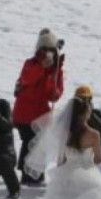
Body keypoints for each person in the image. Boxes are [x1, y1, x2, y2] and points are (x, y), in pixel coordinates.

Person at [12, 28, 65, 186]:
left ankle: (34, 174)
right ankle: (29, 175)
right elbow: (27, 79)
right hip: (25, 113)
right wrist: (43, 68)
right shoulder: (31, 64)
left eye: (51, 49)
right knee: (31, 142)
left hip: (41, 114)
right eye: (45, 49)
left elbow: (54, 95)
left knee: (37, 143)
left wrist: (52, 73)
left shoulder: (56, 70)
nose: (48, 53)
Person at [74, 85, 101, 158]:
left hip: (95, 156)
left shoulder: (97, 114)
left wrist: (90, 115)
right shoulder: (71, 116)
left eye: (84, 99)